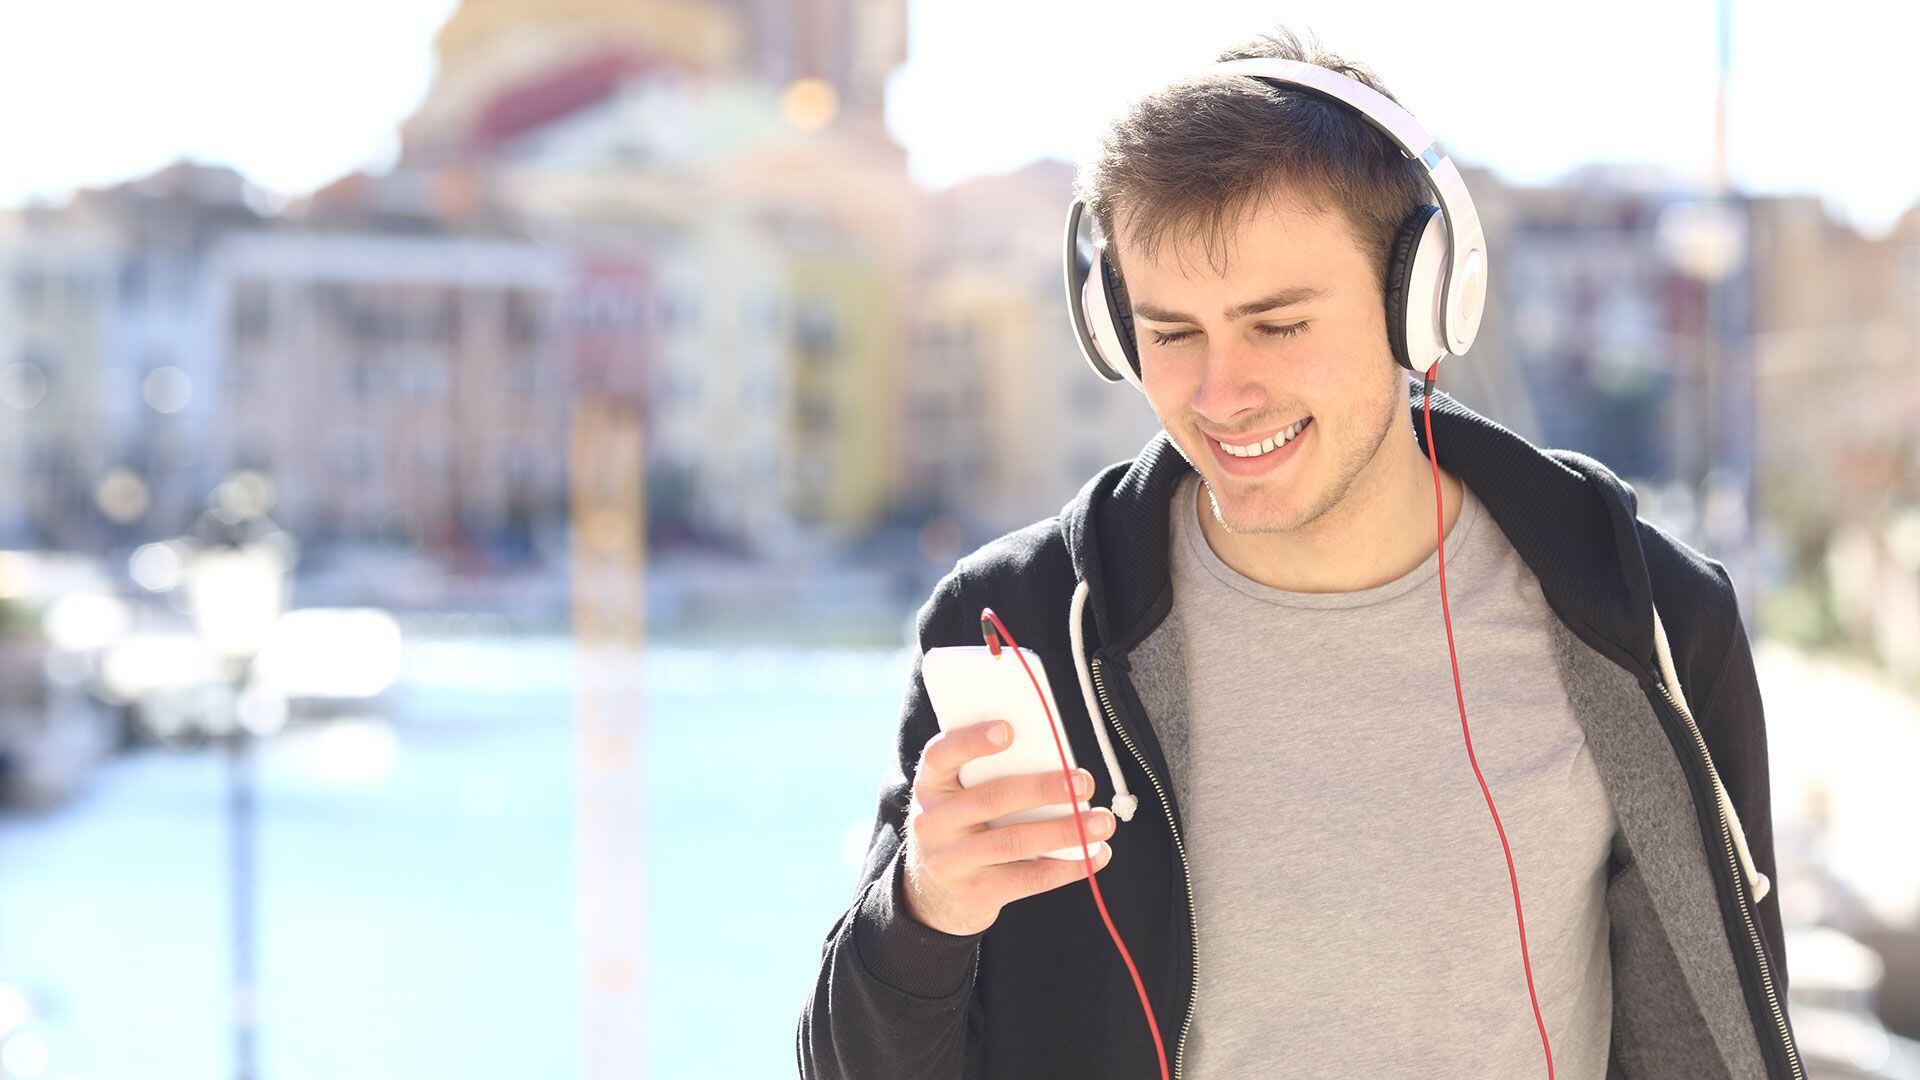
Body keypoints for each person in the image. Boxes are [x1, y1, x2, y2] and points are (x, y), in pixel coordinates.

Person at [798, 24, 1801, 1080]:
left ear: (1422, 302)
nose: (1221, 395)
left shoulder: (1648, 619)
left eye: (1277, 326)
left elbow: (1733, 1025)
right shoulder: (1021, 625)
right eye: (1171, 331)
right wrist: (921, 911)